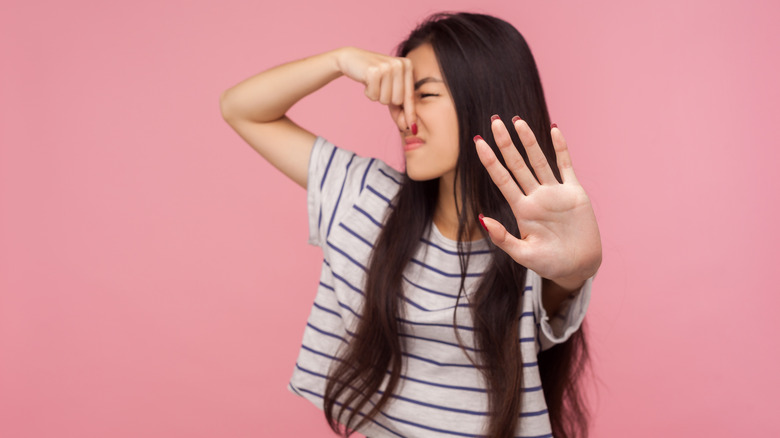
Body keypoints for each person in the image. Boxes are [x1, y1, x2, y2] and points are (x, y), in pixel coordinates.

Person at [219, 11, 601, 438]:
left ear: (483, 97)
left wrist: (578, 270)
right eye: (400, 99)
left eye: (426, 95)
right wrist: (339, 60)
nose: (404, 117)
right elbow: (240, 108)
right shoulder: (366, 197)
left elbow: (560, 284)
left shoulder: (532, 242)